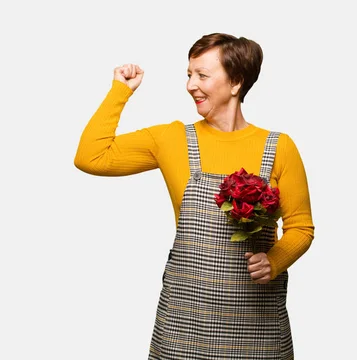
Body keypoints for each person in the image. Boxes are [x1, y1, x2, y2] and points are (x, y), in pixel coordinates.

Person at [74, 32, 314, 360]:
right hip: (185, 321)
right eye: (189, 74)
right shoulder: (169, 138)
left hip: (257, 320)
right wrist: (120, 91)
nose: (190, 85)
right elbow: (90, 156)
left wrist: (275, 260)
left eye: (202, 75)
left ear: (235, 83)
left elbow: (302, 227)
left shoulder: (279, 147)